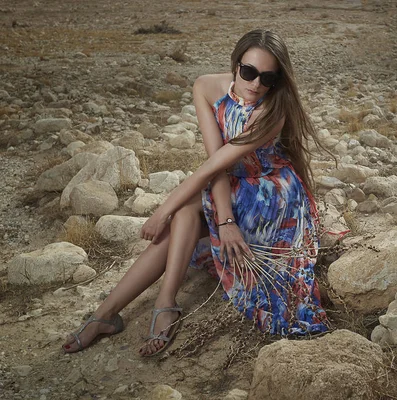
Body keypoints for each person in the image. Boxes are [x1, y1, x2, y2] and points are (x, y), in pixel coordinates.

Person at [62, 29, 331, 357]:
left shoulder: (271, 112)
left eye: (268, 77)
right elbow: (213, 162)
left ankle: (127, 311)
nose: (256, 84)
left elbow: (211, 168)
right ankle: (129, 311)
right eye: (248, 72)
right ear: (235, 65)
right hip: (230, 183)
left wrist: (166, 211)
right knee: (186, 213)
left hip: (270, 198)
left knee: (180, 214)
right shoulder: (206, 87)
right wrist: (223, 219)